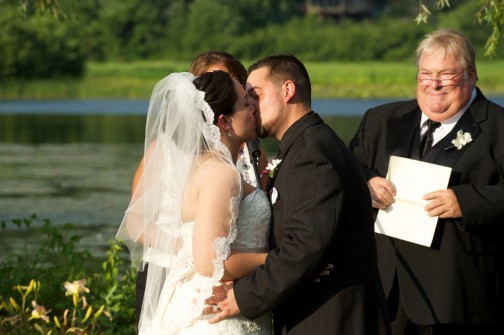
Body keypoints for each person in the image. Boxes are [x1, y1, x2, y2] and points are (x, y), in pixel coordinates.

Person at [206, 54, 391, 334]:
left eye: (255, 95)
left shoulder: (311, 153)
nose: (249, 106)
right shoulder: (305, 144)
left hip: (331, 319)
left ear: (288, 91)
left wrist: (241, 298)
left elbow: (304, 246)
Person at [349, 29, 504, 335]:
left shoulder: (499, 127)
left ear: (471, 76)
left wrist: (467, 201)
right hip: (385, 291)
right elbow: (347, 168)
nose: (434, 84)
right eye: (426, 74)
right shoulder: (379, 120)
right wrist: (366, 182)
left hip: (458, 296)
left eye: (446, 74)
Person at [117, 70, 272, 334]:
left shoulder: (205, 166)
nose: (253, 110)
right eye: (246, 104)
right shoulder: (221, 173)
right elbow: (211, 262)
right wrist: (276, 261)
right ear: (224, 122)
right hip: (216, 318)